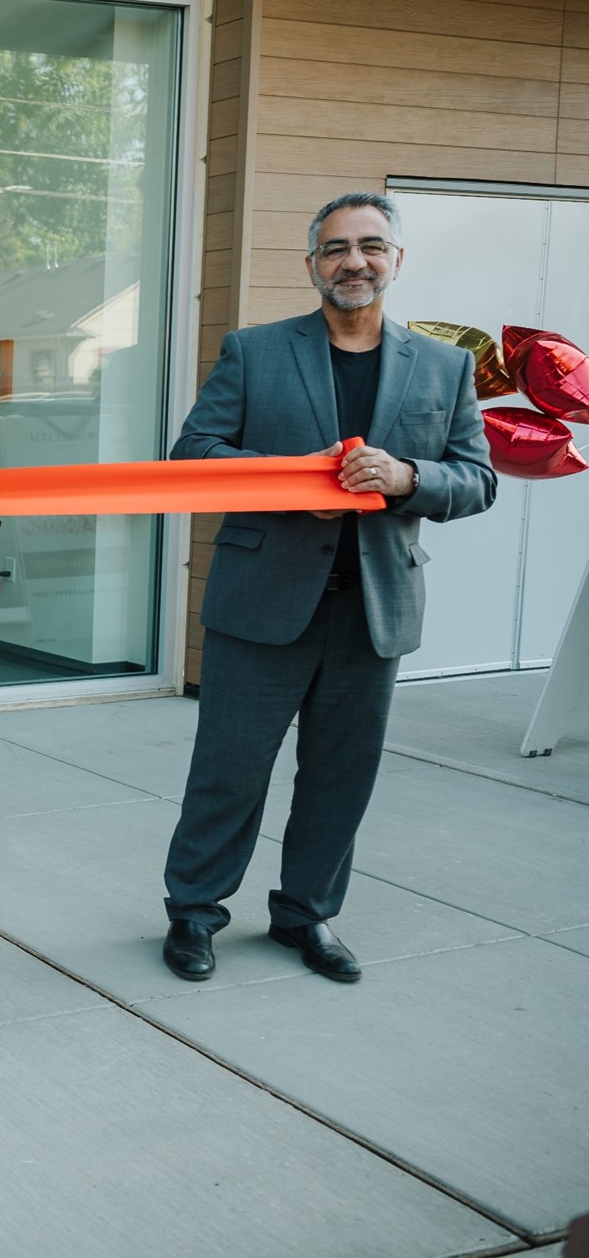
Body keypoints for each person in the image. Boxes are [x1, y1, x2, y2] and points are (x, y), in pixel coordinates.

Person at [160, 191, 495, 984]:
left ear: (396, 260)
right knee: (228, 772)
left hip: (372, 612)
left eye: (371, 246)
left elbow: (476, 480)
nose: (354, 261)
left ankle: (305, 915)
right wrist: (286, 483)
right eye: (336, 248)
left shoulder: (443, 367)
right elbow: (192, 456)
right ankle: (194, 914)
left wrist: (408, 475)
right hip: (260, 607)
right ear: (311, 263)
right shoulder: (254, 351)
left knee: (340, 777)